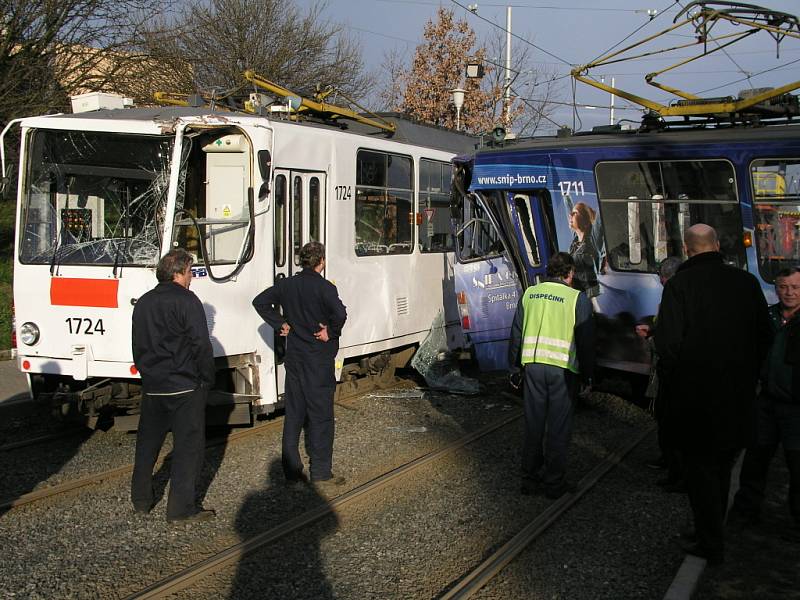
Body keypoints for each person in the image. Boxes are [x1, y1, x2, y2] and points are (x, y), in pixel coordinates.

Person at [655, 224, 771, 565]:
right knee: (722, 468)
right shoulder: (747, 283)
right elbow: (764, 335)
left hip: (694, 400)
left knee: (700, 472)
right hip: (737, 397)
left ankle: (710, 541)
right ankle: (712, 531)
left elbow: (668, 344)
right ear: (717, 245)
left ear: (688, 250)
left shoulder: (679, 286)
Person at [253, 241, 347, 490]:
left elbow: (260, 302)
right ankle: (321, 472)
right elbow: (340, 314)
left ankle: (293, 474)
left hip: (294, 359)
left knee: (294, 415)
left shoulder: (287, 285)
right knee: (321, 416)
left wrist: (279, 323)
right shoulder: (325, 288)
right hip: (318, 360)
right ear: (322, 261)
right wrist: (331, 332)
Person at [130, 248, 216, 523]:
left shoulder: (143, 302)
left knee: (147, 445)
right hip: (184, 385)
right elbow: (200, 343)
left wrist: (147, 373)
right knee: (188, 448)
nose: (192, 277)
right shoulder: (188, 302)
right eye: (190, 271)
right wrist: (206, 378)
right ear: (179, 273)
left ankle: (141, 499)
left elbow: (137, 343)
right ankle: (180, 509)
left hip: (153, 384)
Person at [508, 251, 595, 499]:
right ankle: (554, 483)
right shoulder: (577, 298)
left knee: (534, 424)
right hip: (563, 370)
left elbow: (516, 335)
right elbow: (586, 341)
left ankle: (529, 478)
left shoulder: (529, 294)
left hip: (533, 366)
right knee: (558, 427)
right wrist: (589, 376)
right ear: (570, 274)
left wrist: (514, 369)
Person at [731, 266, 800, 541]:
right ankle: (745, 513)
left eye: (795, 288)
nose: (789, 293)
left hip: (796, 408)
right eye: (784, 287)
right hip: (767, 402)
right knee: (755, 460)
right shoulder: (769, 317)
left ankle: (797, 522)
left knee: (797, 466)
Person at [640, 256, 685, 492]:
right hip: (670, 369)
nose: (660, 281)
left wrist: (650, 337)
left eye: (662, 278)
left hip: (671, 372)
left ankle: (676, 471)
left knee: (670, 422)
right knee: (666, 421)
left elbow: (668, 339)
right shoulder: (681, 296)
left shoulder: (674, 297)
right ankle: (669, 462)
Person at [568, 202, 600, 299]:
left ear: (585, 221)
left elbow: (599, 220)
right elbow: (568, 209)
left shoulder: (592, 241)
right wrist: (565, 196)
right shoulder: (575, 243)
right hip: (577, 293)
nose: (570, 215)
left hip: (590, 295)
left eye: (575, 213)